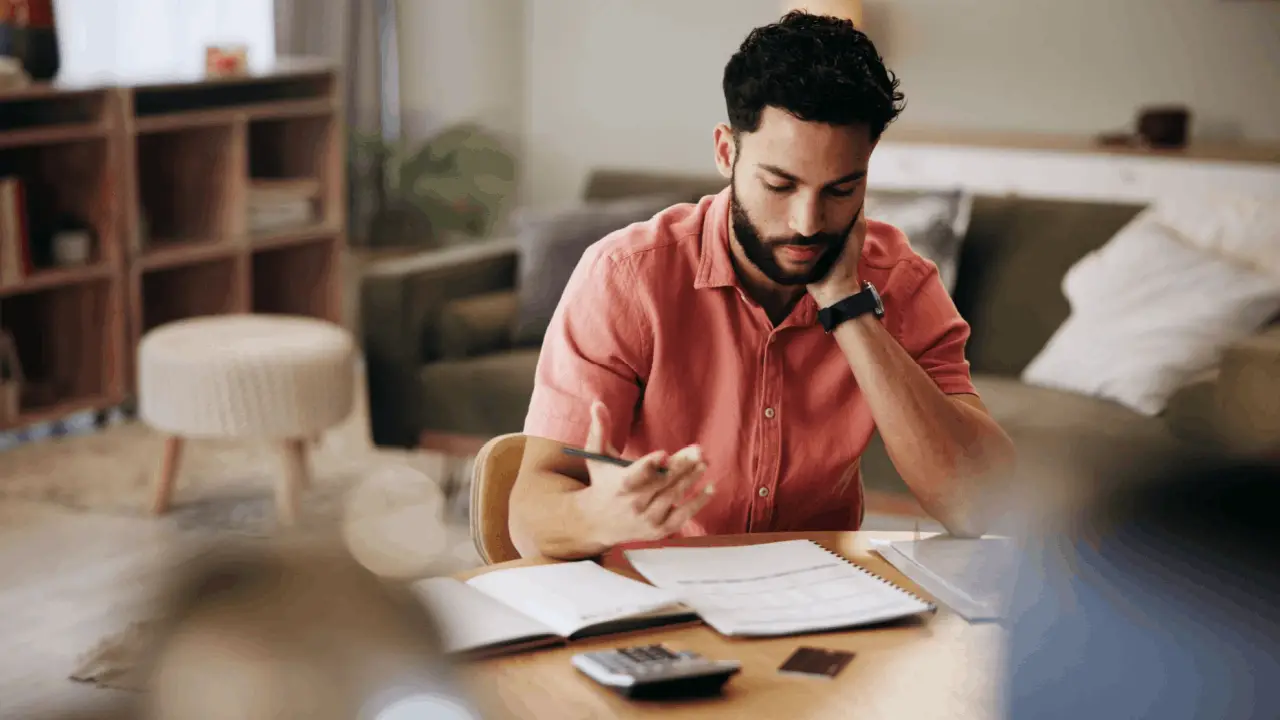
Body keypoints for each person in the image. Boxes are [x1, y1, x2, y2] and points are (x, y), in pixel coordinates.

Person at [509, 11, 1015, 560]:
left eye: (841, 190)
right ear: (727, 151)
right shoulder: (626, 277)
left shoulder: (902, 284)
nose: (807, 222)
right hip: (654, 604)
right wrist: (596, 516)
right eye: (780, 183)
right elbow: (529, 516)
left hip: (825, 603)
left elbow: (979, 507)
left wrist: (849, 310)